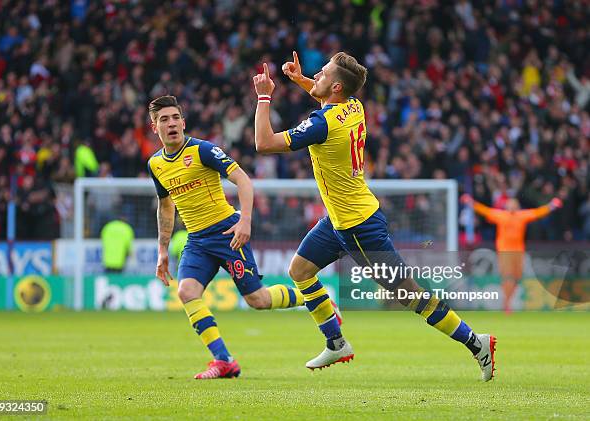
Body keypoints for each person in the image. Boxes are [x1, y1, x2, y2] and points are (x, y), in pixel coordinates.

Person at [253, 52, 496, 381]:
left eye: (322, 74)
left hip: (358, 228)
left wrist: (265, 95)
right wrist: (299, 80)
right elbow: (323, 92)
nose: (317, 77)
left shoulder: (322, 123)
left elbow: (264, 143)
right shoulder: (354, 106)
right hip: (342, 220)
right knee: (300, 270)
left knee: (409, 295)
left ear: (336, 87)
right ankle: (336, 342)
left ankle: (476, 343)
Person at [147, 95, 307, 380]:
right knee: (186, 292)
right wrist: (162, 250)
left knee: (257, 299)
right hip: (197, 240)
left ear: (183, 122)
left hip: (227, 232)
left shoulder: (202, 150)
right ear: (154, 127)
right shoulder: (156, 164)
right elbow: (166, 205)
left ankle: (313, 298)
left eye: (174, 118)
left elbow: (243, 179)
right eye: (163, 119)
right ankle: (224, 361)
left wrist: (245, 220)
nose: (171, 124)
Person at [461, 194, 563, 313]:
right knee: (508, 277)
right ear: (506, 206)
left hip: (518, 251)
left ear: (518, 206)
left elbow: (538, 212)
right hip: (504, 251)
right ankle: (507, 304)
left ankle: (507, 301)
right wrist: (470, 202)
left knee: (517, 277)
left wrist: (551, 206)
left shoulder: (522, 216)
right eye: (510, 204)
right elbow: (484, 210)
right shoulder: (501, 215)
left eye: (514, 205)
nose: (512, 207)